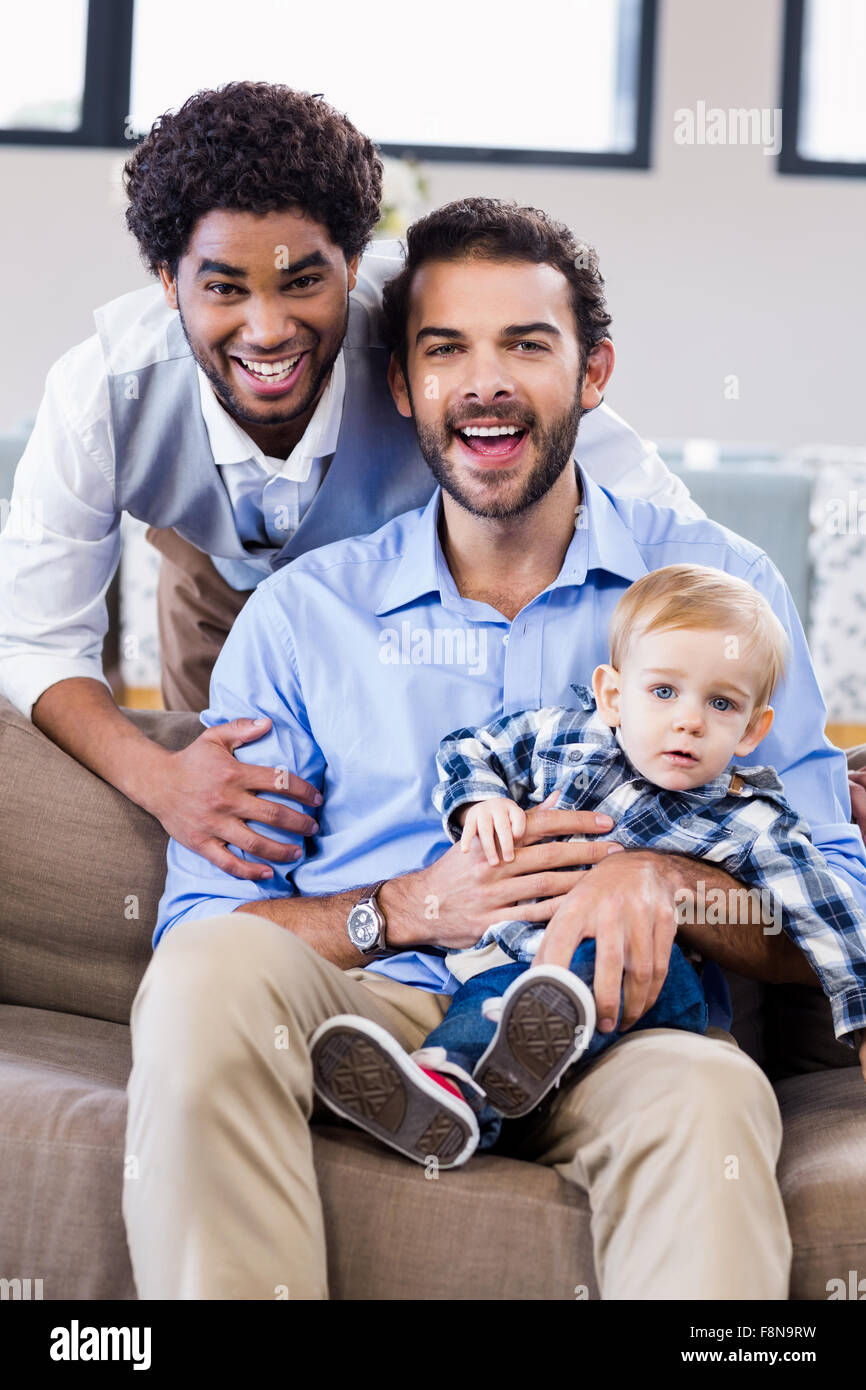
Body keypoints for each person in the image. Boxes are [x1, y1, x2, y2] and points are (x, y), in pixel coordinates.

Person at [123, 197, 866, 1301]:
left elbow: (832, 889)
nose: (483, 381)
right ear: (400, 386)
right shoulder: (301, 616)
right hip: (370, 1017)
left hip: (622, 1026)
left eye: (525, 344)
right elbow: (203, 929)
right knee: (200, 974)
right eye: (444, 349)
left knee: (708, 1097)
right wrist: (408, 907)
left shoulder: (721, 593)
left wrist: (666, 884)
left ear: (592, 372)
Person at [0, 83, 696, 889]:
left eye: (302, 283)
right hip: (210, 582)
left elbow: (654, 516)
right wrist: (160, 779)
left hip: (390, 598)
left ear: (355, 264)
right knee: (229, 801)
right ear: (167, 280)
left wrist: (785, 747)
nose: (267, 330)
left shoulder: (434, 333)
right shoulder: (102, 391)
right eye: (224, 287)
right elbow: (38, 639)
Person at [310, 565, 866, 1167]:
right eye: (663, 692)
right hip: (517, 967)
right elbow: (468, 747)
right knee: (498, 1004)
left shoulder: (754, 818)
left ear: (753, 730)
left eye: (722, 703)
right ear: (612, 696)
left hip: (651, 990)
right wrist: (481, 800)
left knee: (580, 961)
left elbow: (829, 918)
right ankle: (446, 1095)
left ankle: (503, 1064)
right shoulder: (567, 739)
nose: (689, 720)